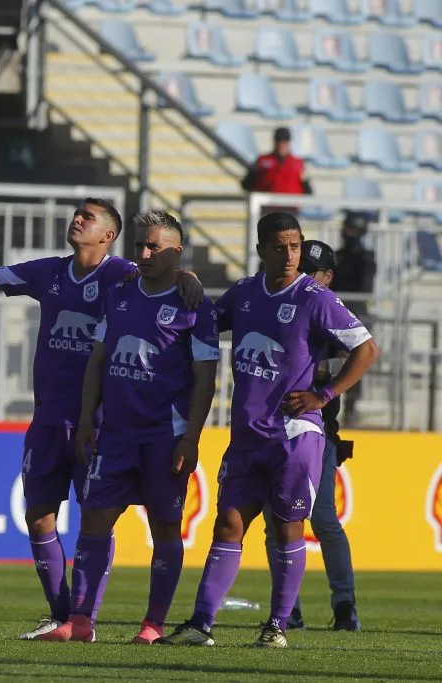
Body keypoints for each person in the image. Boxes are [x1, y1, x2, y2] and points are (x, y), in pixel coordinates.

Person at [0, 199, 201, 640]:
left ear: (108, 235)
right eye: (77, 213)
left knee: (96, 518)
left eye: (87, 217)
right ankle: (62, 613)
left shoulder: (122, 273)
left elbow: (165, 271)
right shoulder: (49, 272)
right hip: (48, 419)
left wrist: (188, 277)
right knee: (38, 517)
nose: (77, 219)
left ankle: (88, 618)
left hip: (98, 424)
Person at [158, 212, 379, 649]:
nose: (290, 255)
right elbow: (202, 321)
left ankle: (278, 626)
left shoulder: (315, 297)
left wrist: (324, 394)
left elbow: (367, 348)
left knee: (287, 526)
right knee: (228, 524)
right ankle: (201, 624)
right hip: (247, 434)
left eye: (295, 246)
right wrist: (183, 279)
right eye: (280, 247)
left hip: (294, 434)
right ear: (261, 249)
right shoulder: (244, 293)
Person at [51, 211, 220, 644]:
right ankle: (81, 620)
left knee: (164, 526)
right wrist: (87, 419)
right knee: (95, 519)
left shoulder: (194, 306)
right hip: (115, 434)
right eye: (140, 245)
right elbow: (97, 361)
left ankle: (153, 624)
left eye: (153, 247)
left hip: (165, 436)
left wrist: (191, 437)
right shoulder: (120, 294)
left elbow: (205, 379)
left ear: (176, 252)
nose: (143, 253)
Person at [262, 240, 361, 632]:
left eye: (312, 270)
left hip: (316, 434)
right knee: (277, 523)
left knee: (321, 519)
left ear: (328, 277)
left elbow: (359, 352)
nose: (302, 273)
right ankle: (289, 609)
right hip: (269, 428)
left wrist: (318, 380)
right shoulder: (284, 300)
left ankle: (345, 604)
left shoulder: (328, 308)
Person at [332, 212, 376, 421]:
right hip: (333, 317)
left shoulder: (366, 258)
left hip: (356, 317)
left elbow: (365, 289)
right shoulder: (337, 256)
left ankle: (350, 408)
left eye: (351, 230)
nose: (346, 233)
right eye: (345, 229)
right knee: (330, 363)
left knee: (355, 361)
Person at [241, 128, 313, 216]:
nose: (281, 145)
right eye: (278, 141)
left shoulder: (298, 164)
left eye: (284, 142)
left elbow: (308, 190)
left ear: (289, 143)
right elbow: (246, 184)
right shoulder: (262, 161)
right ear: (274, 142)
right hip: (267, 209)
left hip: (290, 210)